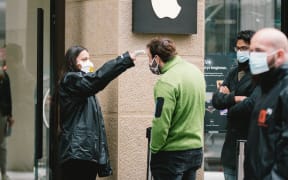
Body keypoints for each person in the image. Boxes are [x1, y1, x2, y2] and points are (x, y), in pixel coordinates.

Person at [58, 45, 142, 180]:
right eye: (84, 59)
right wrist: (123, 60)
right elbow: (96, 80)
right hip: (77, 154)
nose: (88, 62)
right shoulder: (71, 81)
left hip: (84, 153)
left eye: (89, 58)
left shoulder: (82, 85)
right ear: (73, 61)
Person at [146, 37, 206, 180]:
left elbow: (161, 121)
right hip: (195, 150)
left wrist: (154, 149)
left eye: (149, 58)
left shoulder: (166, 81)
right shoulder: (195, 72)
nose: (149, 63)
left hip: (171, 154)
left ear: (157, 58)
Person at [244, 28, 288, 180]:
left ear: (280, 55)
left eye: (259, 51)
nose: (252, 56)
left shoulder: (285, 90)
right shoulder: (267, 87)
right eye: (251, 51)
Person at [212, 30, 256, 180]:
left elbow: (251, 105)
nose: (240, 52)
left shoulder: (259, 74)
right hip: (231, 149)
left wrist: (228, 100)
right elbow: (217, 101)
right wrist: (236, 98)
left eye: (244, 48)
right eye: (238, 48)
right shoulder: (233, 72)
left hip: (250, 146)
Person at [0, 59, 14, 180]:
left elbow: (7, 96)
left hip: (2, 113)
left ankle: (3, 173)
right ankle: (3, 173)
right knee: (2, 144)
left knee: (2, 144)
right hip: (3, 112)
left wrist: (9, 115)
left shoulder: (4, 76)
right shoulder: (3, 75)